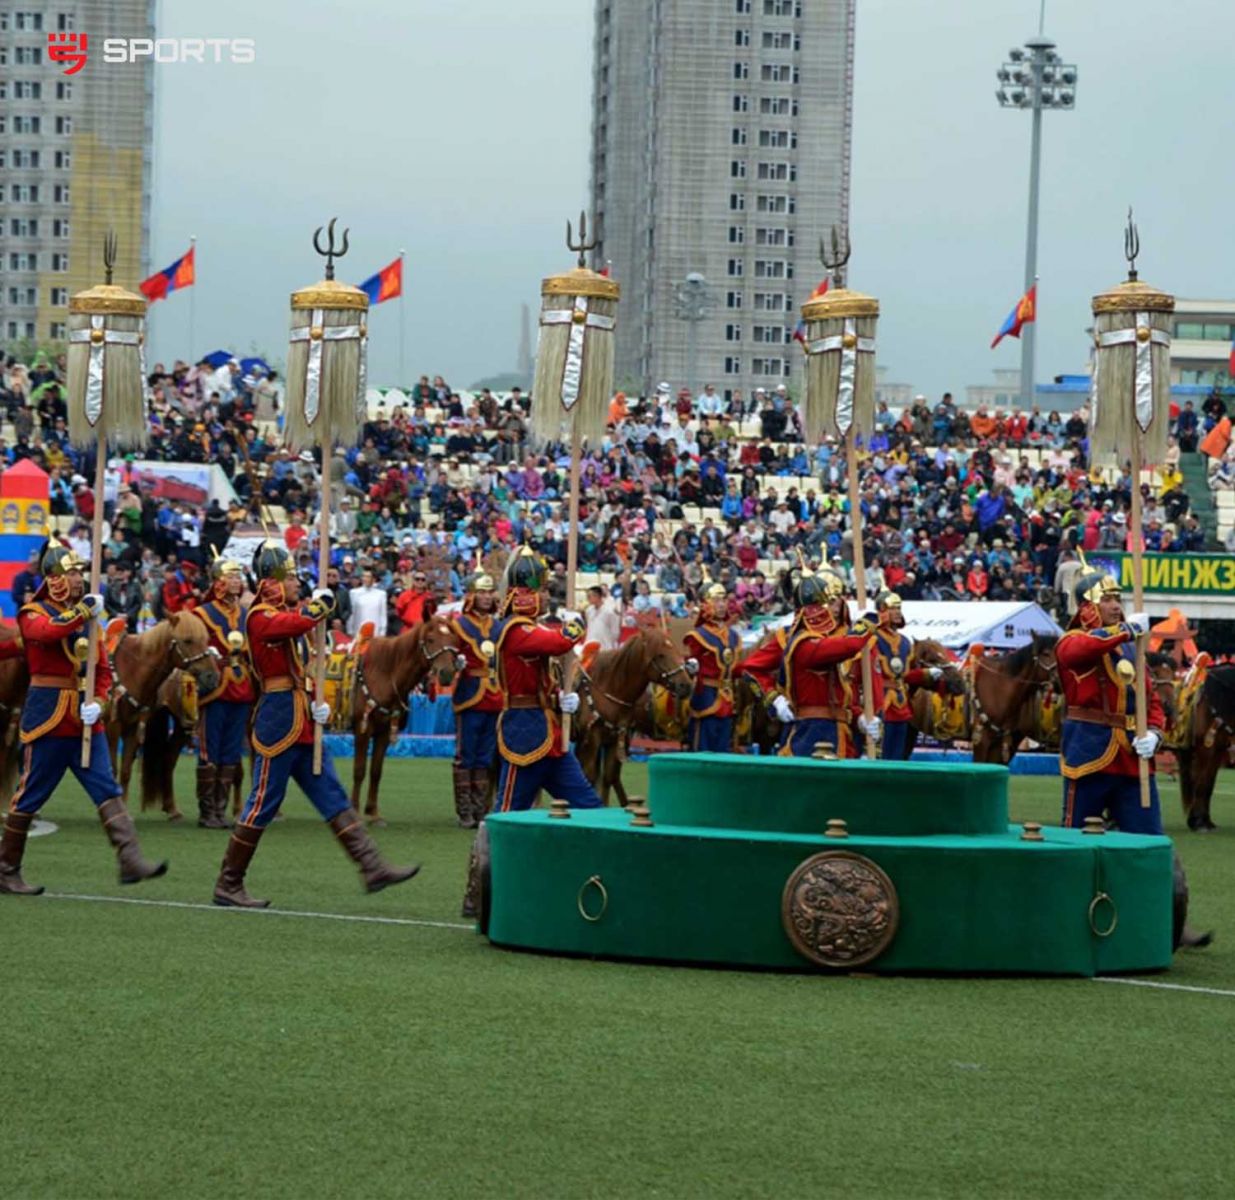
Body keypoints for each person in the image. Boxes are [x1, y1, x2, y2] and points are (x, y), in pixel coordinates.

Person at [212, 542, 418, 908]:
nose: (297, 583)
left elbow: (300, 645)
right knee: (263, 802)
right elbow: (295, 624)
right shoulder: (259, 615)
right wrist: (319, 606)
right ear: (273, 582)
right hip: (278, 720)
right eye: (291, 577)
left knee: (331, 794)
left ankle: (371, 866)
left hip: (301, 717)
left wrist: (313, 700)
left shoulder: (284, 614)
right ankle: (229, 883)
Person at [0, 539, 167, 895]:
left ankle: (130, 857)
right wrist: (83, 612)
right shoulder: (33, 612)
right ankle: (5, 869)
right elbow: (47, 632)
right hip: (48, 716)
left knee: (106, 787)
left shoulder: (88, 619)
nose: (78, 578)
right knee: (30, 796)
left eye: (80, 572)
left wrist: (101, 702)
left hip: (84, 719)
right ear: (54, 578)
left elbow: (102, 670)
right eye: (71, 572)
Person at [490, 546, 602, 813]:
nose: (546, 596)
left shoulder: (531, 628)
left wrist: (559, 698)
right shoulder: (515, 630)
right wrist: (575, 623)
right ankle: (490, 842)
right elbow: (558, 641)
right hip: (525, 731)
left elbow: (546, 668)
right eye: (542, 590)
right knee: (509, 811)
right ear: (525, 595)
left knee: (588, 805)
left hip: (550, 734)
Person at [1056, 567, 1163, 832]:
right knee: (1077, 839)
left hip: (1133, 759)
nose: (1116, 606)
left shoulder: (1132, 647)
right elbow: (1084, 648)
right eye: (1106, 599)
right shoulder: (1072, 641)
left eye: (1118, 599)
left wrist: (1154, 733)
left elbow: (1151, 700)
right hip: (1089, 754)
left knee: (1147, 840)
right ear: (1088, 607)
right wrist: (1127, 629)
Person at [736, 565, 882, 758]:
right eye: (827, 602)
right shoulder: (801, 642)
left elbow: (837, 695)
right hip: (810, 730)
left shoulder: (845, 637)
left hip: (842, 730)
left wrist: (861, 719)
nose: (833, 608)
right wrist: (774, 699)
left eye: (836, 600)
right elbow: (750, 669)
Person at [195, 554, 256, 829]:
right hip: (215, 688)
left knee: (232, 751)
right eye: (231, 576)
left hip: (241, 687)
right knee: (210, 750)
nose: (236, 581)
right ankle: (207, 811)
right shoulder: (202, 613)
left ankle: (221, 809)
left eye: (238, 576)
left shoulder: (246, 615)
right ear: (218, 581)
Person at [448, 571, 502, 829]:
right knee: (466, 755)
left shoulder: (499, 626)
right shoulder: (458, 625)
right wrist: (455, 664)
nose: (486, 597)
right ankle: (465, 811)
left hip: (495, 696)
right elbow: (446, 663)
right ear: (471, 595)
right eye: (481, 592)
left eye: (490, 592)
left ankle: (481, 809)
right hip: (470, 695)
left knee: (485, 757)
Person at [871, 591, 942, 760]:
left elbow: (906, 676)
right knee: (880, 756)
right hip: (880, 704)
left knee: (898, 758)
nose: (897, 612)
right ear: (882, 611)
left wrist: (926, 674)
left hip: (902, 706)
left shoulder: (904, 642)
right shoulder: (873, 638)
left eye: (899, 608)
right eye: (892, 608)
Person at [683, 581, 739, 752]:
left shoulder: (733, 636)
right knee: (703, 748)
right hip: (706, 697)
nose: (721, 605)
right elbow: (691, 667)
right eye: (716, 600)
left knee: (723, 750)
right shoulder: (697, 636)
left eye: (723, 600)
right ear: (705, 604)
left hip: (727, 697)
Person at [347, 567, 387, 637]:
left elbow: (382, 614)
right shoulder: (354, 593)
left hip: (375, 631)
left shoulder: (381, 594)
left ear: (374, 579)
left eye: (368, 577)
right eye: (363, 576)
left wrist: (382, 631)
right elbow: (352, 613)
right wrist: (350, 629)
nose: (365, 579)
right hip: (358, 629)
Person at [584, 583, 621, 651]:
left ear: (597, 596)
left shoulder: (609, 611)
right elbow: (589, 628)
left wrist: (610, 644)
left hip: (605, 647)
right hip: (590, 644)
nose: (587, 599)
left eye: (589, 596)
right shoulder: (588, 611)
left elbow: (615, 632)